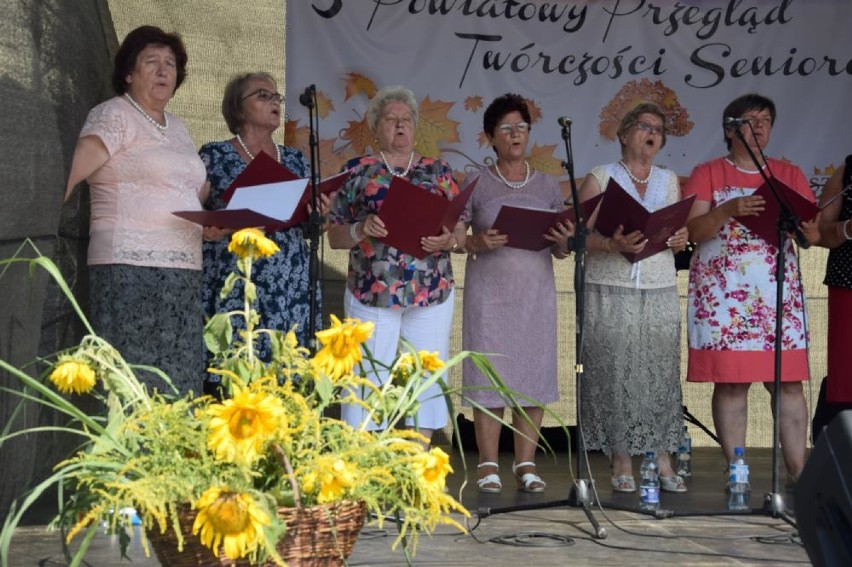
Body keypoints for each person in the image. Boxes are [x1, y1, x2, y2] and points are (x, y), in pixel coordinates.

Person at [64, 25, 210, 397]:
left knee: (179, 385)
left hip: (184, 272)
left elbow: (185, 191)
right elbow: (66, 176)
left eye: (171, 64)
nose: (164, 71)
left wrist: (208, 223)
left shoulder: (178, 127)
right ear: (129, 73)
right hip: (128, 269)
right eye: (152, 62)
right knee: (132, 384)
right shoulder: (113, 115)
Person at [684, 93, 819, 486]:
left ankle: (800, 474)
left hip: (778, 296)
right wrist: (728, 210)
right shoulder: (707, 171)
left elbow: (810, 233)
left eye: (765, 120)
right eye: (750, 120)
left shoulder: (787, 174)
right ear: (730, 130)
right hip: (725, 297)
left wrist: (804, 230)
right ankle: (737, 469)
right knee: (731, 382)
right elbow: (692, 231)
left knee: (788, 382)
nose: (759, 126)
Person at [327, 85, 467, 446]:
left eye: (406, 119)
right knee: (367, 376)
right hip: (372, 290)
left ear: (416, 126)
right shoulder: (358, 170)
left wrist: (449, 239)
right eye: (391, 119)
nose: (400, 126)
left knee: (428, 376)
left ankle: (419, 461)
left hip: (430, 289)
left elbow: (462, 227)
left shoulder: (438, 170)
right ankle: (367, 462)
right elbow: (335, 235)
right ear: (375, 127)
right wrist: (361, 228)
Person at [460, 93, 573, 493]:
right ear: (490, 136)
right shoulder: (475, 181)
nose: (515, 134)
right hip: (489, 294)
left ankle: (526, 464)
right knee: (489, 375)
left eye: (521, 127)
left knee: (532, 374)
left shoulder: (547, 184)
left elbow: (560, 250)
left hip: (535, 293)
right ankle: (488, 464)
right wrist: (475, 243)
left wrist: (563, 240)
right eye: (506, 128)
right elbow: (454, 236)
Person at [577, 103, 690, 494]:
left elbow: (676, 233)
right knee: (614, 372)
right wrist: (611, 243)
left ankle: (660, 454)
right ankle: (621, 456)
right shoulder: (600, 177)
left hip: (658, 286)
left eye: (658, 128)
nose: (652, 132)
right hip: (610, 287)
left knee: (658, 374)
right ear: (624, 134)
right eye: (643, 125)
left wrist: (679, 239)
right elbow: (575, 237)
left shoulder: (669, 179)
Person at [199, 72, 324, 369]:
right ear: (238, 108)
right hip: (237, 277)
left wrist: (320, 212)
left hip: (291, 283)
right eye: (262, 95)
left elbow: (310, 225)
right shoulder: (214, 155)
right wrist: (212, 228)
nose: (274, 102)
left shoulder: (296, 160)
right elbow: (194, 213)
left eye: (276, 97)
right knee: (236, 369)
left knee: (287, 371)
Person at [813, 156, 852, 441]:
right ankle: (842, 453)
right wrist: (848, 229)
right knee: (846, 373)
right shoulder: (848, 172)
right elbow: (819, 232)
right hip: (848, 282)